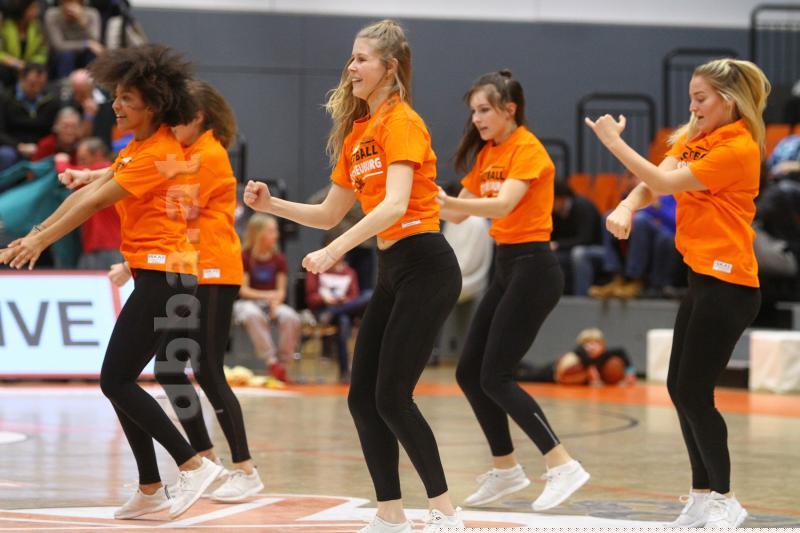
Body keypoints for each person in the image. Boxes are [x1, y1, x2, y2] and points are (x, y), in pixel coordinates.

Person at [243, 19, 464, 533]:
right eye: (351, 58)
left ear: (390, 67)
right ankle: (390, 514)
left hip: (427, 266)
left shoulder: (402, 122)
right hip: (393, 269)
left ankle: (446, 513)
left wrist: (335, 250)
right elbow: (328, 214)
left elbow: (396, 204)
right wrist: (271, 205)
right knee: (362, 397)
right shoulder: (358, 134)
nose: (351, 67)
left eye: (362, 58)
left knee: (393, 397)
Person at [0, 44, 223, 520]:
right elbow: (91, 191)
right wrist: (38, 231)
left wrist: (39, 239)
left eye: (127, 99)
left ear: (153, 105)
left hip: (167, 275)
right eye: (116, 96)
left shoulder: (156, 151)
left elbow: (94, 203)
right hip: (160, 273)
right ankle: (150, 488)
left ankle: (193, 463)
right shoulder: (140, 148)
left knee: (116, 380)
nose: (116, 106)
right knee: (119, 380)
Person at [585, 58, 769, 528]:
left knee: (693, 391)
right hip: (702, 278)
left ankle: (727, 498)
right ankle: (702, 496)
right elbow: (652, 185)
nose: (693, 107)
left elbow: (665, 182)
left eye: (701, 98)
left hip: (730, 284)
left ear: (728, 100)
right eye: (691, 98)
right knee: (679, 388)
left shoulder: (739, 147)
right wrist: (627, 205)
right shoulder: (696, 138)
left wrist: (614, 143)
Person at [437, 70, 590, 512]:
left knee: (496, 376)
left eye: (484, 109)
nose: (477, 119)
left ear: (510, 109)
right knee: (470, 372)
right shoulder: (489, 152)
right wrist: (419, 198)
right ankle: (506, 469)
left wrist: (451, 201)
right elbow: (458, 215)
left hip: (534, 269)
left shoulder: (529, 149)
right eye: (473, 111)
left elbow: (503, 205)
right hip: (506, 268)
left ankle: (562, 464)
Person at [107, 79, 264, 501]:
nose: (169, 126)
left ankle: (246, 469)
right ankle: (206, 460)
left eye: (176, 119)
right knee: (169, 369)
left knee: (208, 369)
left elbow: (174, 205)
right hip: (186, 267)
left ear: (196, 117)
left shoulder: (209, 155)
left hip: (213, 268)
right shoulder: (185, 153)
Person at [232, 213, 301, 382]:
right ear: (258, 233)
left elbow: (281, 291)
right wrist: (269, 296)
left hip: (272, 302)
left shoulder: (279, 259)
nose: (276, 235)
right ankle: (272, 361)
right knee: (251, 314)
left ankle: (283, 365)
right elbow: (244, 290)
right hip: (247, 302)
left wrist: (275, 303)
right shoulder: (245, 256)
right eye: (271, 231)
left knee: (291, 317)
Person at [304, 250, 372, 383]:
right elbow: (310, 297)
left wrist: (345, 300)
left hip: (341, 310)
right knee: (344, 320)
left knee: (367, 297)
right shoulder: (317, 269)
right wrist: (324, 299)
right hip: (323, 310)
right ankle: (344, 372)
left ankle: (334, 312)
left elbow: (354, 297)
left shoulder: (349, 272)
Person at [43, 0, 104, 79]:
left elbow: (95, 43)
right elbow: (58, 46)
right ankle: (64, 84)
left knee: (93, 54)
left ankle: (93, 83)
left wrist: (83, 21)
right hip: (62, 56)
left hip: (85, 54)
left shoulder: (92, 14)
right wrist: (86, 44)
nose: (69, 5)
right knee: (66, 55)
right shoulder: (52, 15)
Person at [0, 0, 47, 89]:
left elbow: (42, 51)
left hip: (29, 66)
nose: (37, 11)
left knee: (40, 71)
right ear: (22, 9)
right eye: (32, 8)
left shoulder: (36, 26)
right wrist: (15, 63)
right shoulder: (4, 26)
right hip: (9, 67)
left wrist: (31, 65)